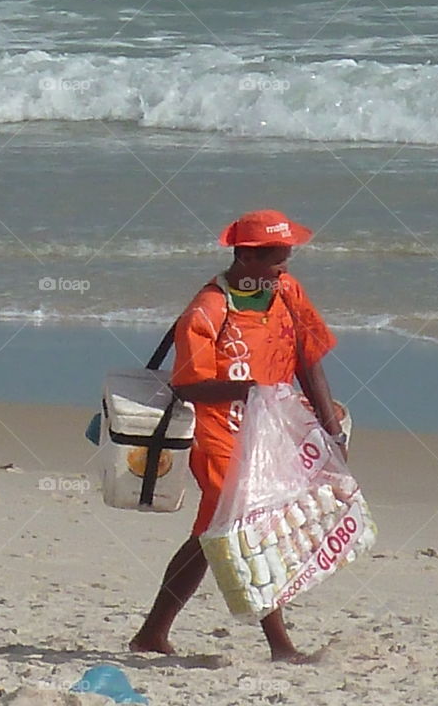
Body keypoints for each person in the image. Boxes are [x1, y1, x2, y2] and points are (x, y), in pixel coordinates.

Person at [129, 209, 347, 663]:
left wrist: (329, 426)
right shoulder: (209, 309)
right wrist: (250, 390)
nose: (283, 271)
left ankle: (152, 633)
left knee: (213, 536)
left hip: (271, 434)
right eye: (275, 261)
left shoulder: (285, 292)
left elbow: (308, 358)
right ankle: (281, 646)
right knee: (251, 529)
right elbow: (187, 384)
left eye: (286, 261)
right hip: (220, 436)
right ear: (245, 258)